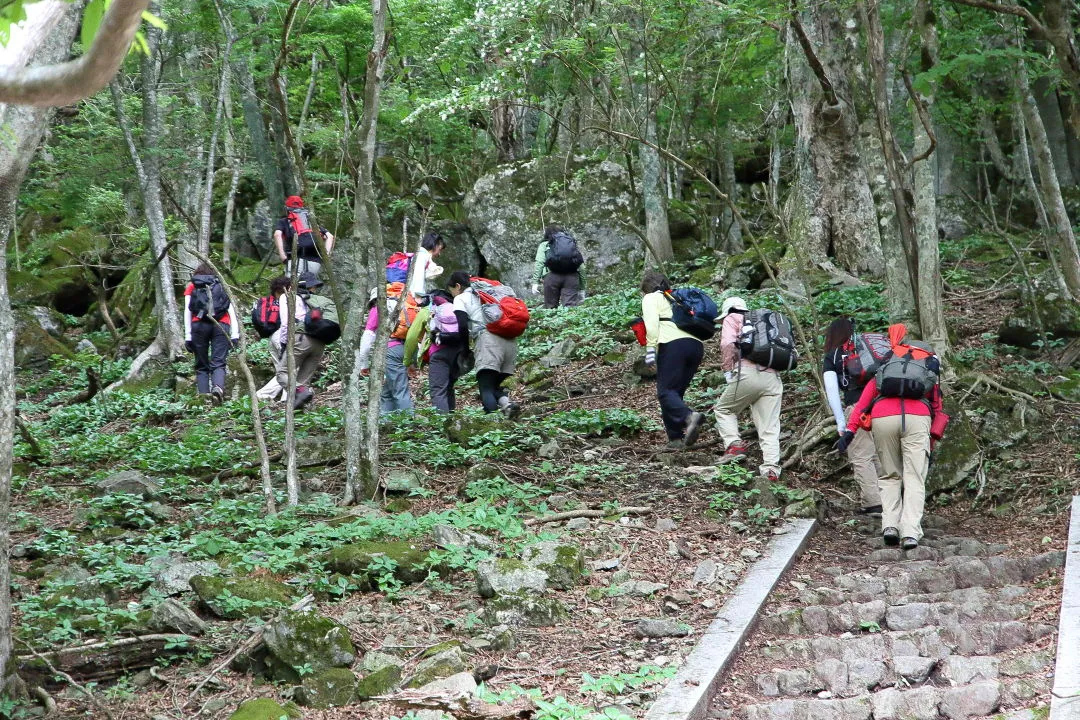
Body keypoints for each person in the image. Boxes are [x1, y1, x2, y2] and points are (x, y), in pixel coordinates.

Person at [837, 324, 944, 551]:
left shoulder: (888, 362)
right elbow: (937, 407)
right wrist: (931, 444)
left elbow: (866, 398)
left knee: (889, 475)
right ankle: (910, 532)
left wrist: (850, 431)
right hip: (917, 418)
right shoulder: (928, 368)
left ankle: (890, 527)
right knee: (914, 477)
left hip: (883, 417)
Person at [714, 296, 784, 480]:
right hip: (773, 377)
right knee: (769, 426)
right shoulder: (762, 322)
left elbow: (727, 344)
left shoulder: (732, 318)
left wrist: (728, 370)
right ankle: (771, 469)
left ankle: (734, 444)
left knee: (724, 409)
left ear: (728, 310)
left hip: (748, 374)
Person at [823, 317, 884, 515]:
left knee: (860, 455)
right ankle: (890, 499)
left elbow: (832, 391)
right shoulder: (868, 352)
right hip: (884, 406)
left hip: (858, 408)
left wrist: (841, 421)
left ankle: (873, 502)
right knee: (879, 454)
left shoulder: (833, 356)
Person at [640, 271, 705, 449]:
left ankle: (690, 417)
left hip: (673, 345)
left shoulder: (652, 298)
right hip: (696, 346)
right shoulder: (677, 298)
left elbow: (651, 327)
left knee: (665, 392)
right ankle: (675, 438)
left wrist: (650, 352)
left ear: (646, 288)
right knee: (673, 393)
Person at [447, 271, 520, 418]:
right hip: (510, 342)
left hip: (488, 341)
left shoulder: (461, 298)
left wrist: (465, 350)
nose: (452, 295)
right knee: (494, 385)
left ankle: (491, 425)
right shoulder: (488, 294)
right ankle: (507, 405)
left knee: (485, 387)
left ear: (457, 286)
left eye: (452, 291)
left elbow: (461, 325)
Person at [404, 289, 467, 413]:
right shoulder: (457, 308)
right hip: (458, 352)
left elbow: (411, 337)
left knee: (438, 390)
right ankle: (453, 422)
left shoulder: (428, 311)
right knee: (449, 387)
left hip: (439, 353)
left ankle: (442, 426)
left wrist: (407, 361)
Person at [184, 264, 239, 404]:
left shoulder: (193, 285)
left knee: (201, 364)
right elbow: (230, 309)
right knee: (219, 362)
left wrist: (188, 336)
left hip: (199, 325)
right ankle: (218, 389)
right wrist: (235, 334)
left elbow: (187, 311)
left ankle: (204, 397)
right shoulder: (220, 284)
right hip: (222, 324)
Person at [271, 273, 326, 409]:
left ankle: (302, 396)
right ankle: (300, 414)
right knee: (302, 382)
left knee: (282, 374)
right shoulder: (315, 300)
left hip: (301, 339)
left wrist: (284, 344)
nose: (314, 289)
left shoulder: (287, 296)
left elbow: (286, 323)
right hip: (320, 342)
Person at [358, 286, 414, 415]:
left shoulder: (378, 309)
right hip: (404, 347)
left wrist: (363, 363)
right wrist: (411, 360)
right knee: (387, 390)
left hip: (390, 350)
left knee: (400, 389)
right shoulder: (400, 306)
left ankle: (409, 424)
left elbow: (368, 337)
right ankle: (386, 422)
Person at [273, 195, 335, 277]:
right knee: (309, 286)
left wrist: (282, 255)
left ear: (287, 208)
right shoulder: (310, 222)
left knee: (293, 287)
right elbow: (330, 236)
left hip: (296, 260)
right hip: (315, 262)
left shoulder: (284, 221)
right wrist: (325, 255)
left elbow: (277, 235)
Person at [531, 225, 585, 308]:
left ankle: (552, 319)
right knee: (570, 308)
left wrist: (535, 282)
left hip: (551, 277)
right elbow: (581, 267)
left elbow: (540, 263)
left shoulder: (545, 244)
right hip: (572, 276)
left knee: (550, 307)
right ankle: (568, 321)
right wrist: (582, 288)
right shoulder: (570, 243)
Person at [408, 232, 447, 297]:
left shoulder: (420, 256)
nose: (439, 254)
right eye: (439, 250)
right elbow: (418, 279)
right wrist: (418, 298)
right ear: (434, 245)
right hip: (412, 298)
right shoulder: (421, 257)